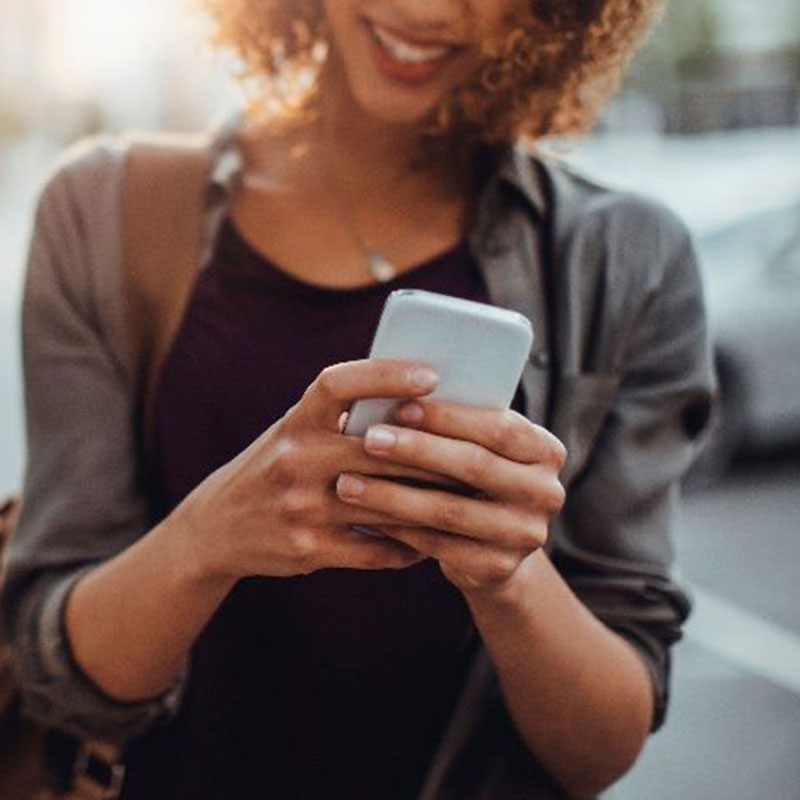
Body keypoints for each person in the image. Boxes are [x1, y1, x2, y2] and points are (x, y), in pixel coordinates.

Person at [1, 1, 715, 798]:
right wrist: (209, 539)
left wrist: (508, 577)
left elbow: (599, 752)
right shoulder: (103, 215)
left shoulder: (627, 261)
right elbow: (57, 675)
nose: (425, 7)